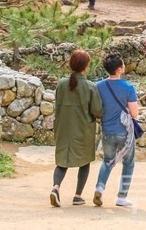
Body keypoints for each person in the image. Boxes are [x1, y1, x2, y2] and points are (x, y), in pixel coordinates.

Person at [51, 50, 103, 208]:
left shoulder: (61, 84)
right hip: (83, 129)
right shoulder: (90, 86)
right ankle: (78, 196)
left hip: (63, 127)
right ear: (86, 66)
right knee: (84, 161)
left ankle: (55, 188)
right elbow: (97, 110)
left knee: (62, 161)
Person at [93, 53, 138, 208]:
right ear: (119, 69)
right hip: (124, 132)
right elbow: (134, 114)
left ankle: (100, 187)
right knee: (129, 163)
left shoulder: (98, 86)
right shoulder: (128, 88)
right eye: (123, 64)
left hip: (107, 130)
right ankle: (121, 197)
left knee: (107, 161)